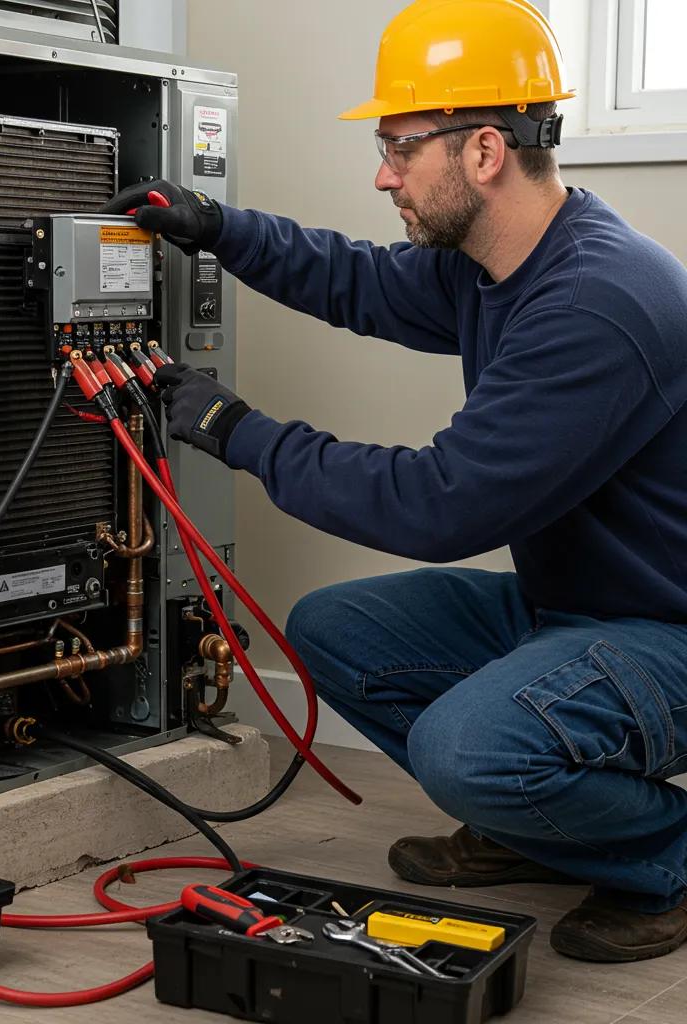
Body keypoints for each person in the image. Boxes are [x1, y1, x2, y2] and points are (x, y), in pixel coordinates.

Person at [101, 0, 687, 963]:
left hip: (663, 633)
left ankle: (664, 852)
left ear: (485, 151)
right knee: (336, 629)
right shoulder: (500, 264)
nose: (384, 174)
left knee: (467, 750)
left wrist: (236, 431)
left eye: (401, 147)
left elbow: (439, 505)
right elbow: (359, 280)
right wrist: (215, 227)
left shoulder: (595, 303)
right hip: (576, 609)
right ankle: (534, 825)